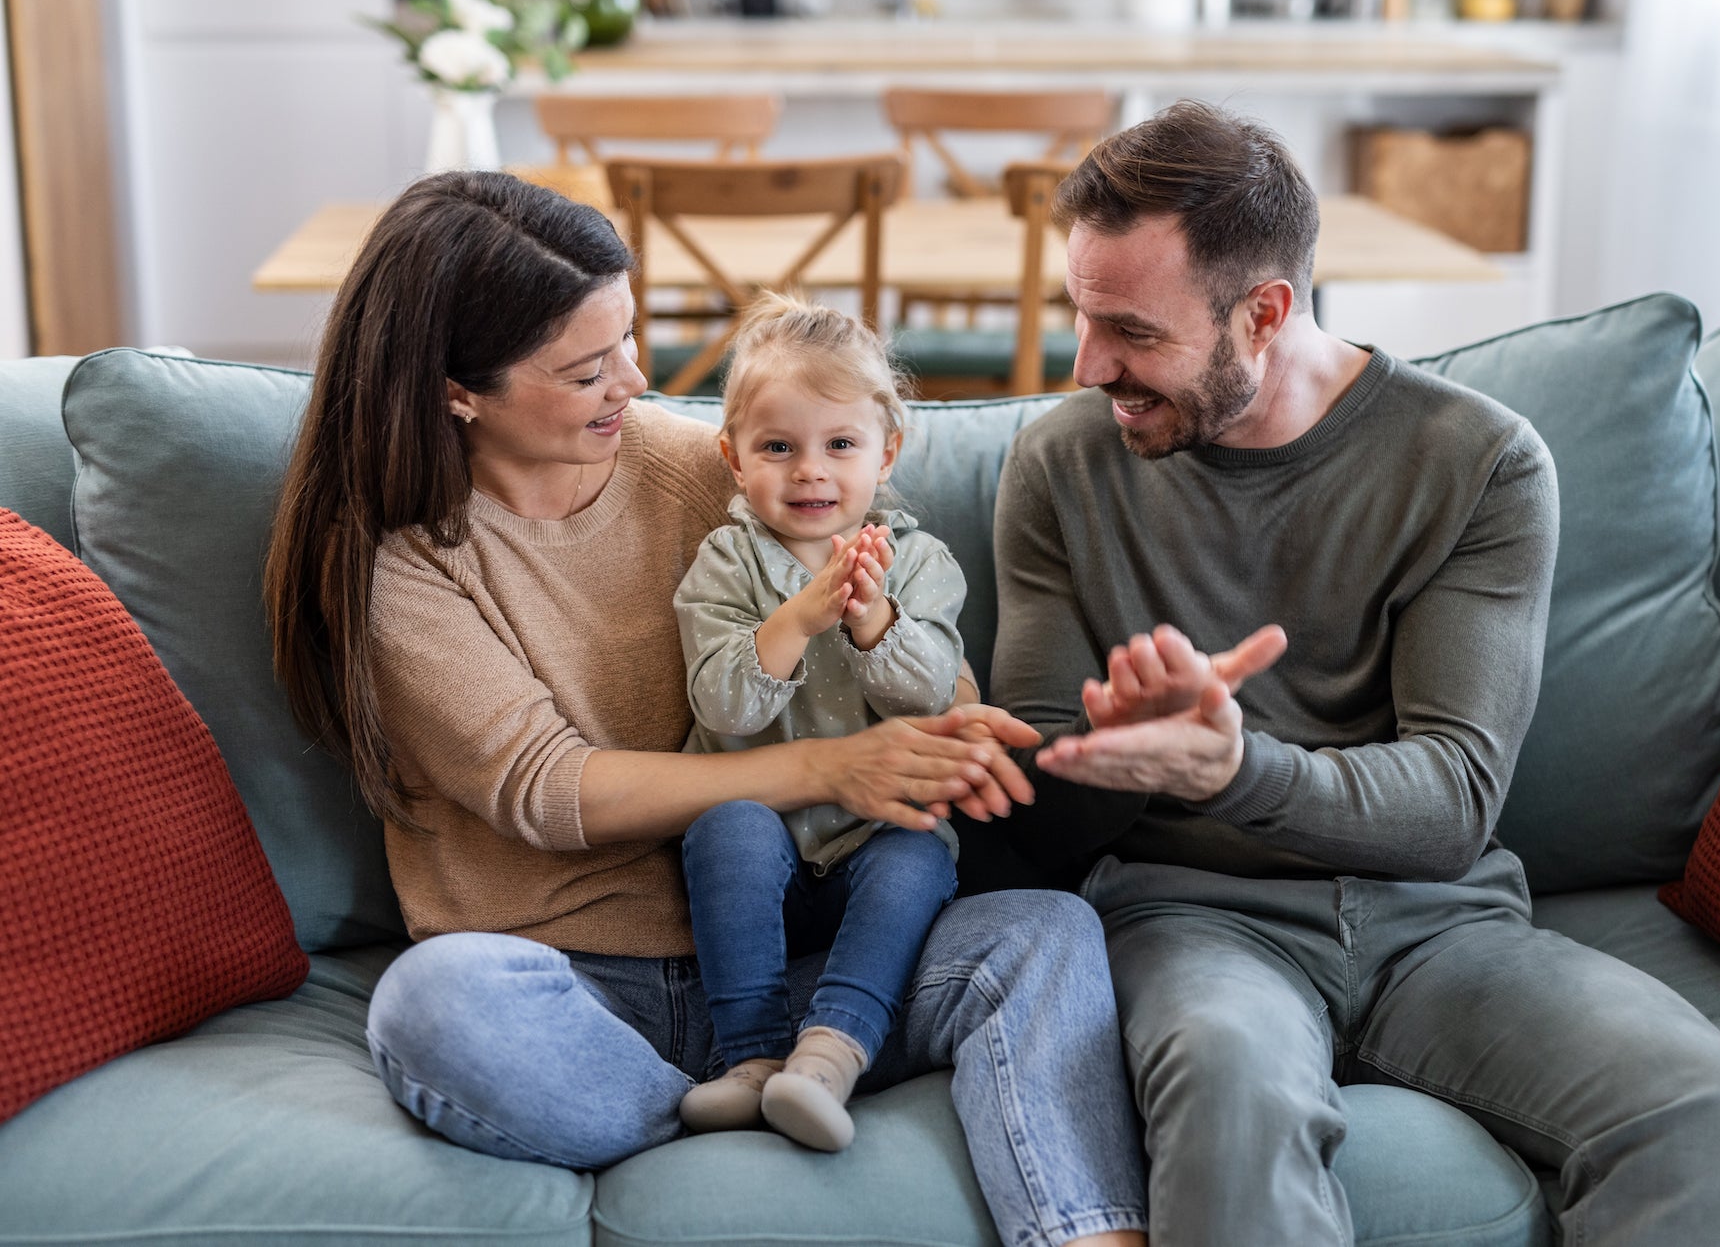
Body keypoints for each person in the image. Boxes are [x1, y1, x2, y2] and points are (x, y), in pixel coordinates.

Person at [263, 170, 1146, 1247]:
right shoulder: (405, 564)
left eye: (627, 340)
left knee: (1046, 933)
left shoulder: (708, 473)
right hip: (584, 987)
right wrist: (827, 768)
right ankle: (709, 1109)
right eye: (588, 369)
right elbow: (547, 788)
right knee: (432, 1004)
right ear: (460, 391)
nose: (634, 382)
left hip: (810, 951)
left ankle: (1028, 1200)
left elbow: (889, 602)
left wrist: (945, 720)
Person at [979, 101, 1720, 1245]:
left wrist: (1235, 765)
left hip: (1437, 925)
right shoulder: (1060, 465)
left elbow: (1451, 803)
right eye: (1080, 317)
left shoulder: (1478, 461)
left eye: (1131, 332)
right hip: (1197, 921)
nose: (1089, 364)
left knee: (1700, 1098)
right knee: (1229, 1091)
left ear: (1263, 313)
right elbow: (1043, 821)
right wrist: (1112, 758)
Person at [671, 295, 966, 1151]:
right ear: (733, 458)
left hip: (871, 841)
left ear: (887, 453)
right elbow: (720, 705)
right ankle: (753, 1058)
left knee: (921, 845)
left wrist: (874, 622)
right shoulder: (724, 561)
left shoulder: (919, 563)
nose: (811, 471)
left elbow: (933, 696)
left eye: (840, 445)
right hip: (764, 847)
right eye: (778, 447)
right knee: (725, 828)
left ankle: (829, 1056)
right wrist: (797, 619)